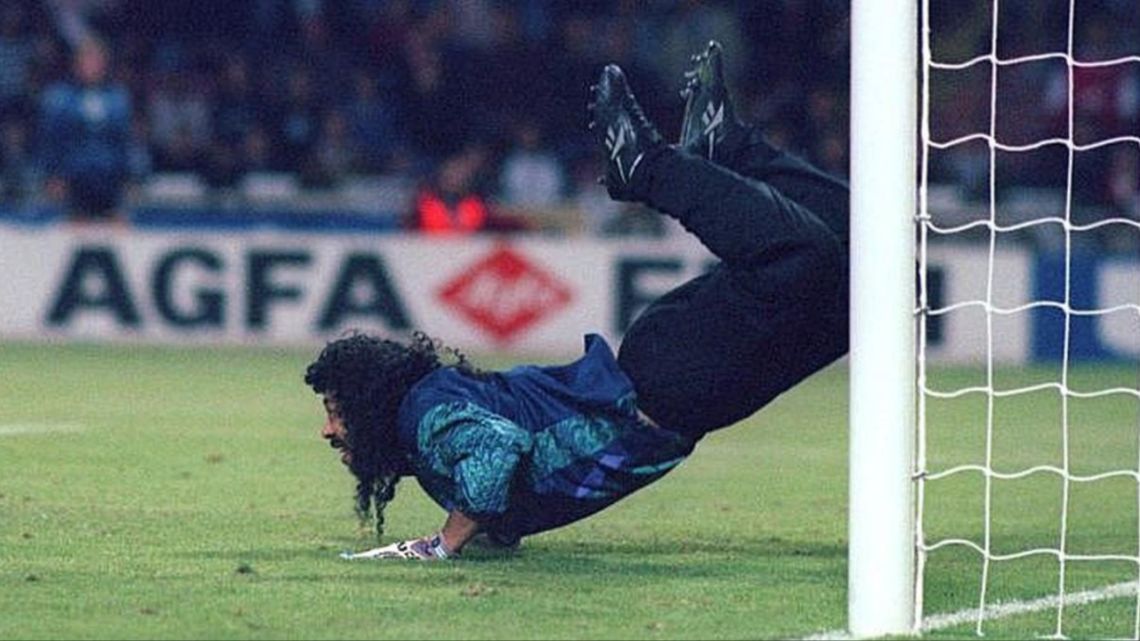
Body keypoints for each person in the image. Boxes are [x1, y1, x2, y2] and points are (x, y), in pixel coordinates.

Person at [304, 41, 850, 561]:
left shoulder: (423, 414)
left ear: (371, 406)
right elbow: (506, 495)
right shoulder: (433, 455)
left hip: (667, 382)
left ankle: (652, 166)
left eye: (334, 412)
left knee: (804, 257)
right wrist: (493, 525)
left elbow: (498, 448)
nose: (327, 431)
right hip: (680, 404)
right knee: (863, 283)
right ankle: (727, 151)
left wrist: (445, 543)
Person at [38, 36, 131, 223]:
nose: (91, 66)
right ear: (76, 64)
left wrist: (130, 175)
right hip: (75, 177)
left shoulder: (118, 97)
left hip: (109, 177)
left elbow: (123, 140)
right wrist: (52, 175)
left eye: (96, 61)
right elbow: (52, 139)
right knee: (76, 229)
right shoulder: (59, 97)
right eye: (86, 61)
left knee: (117, 227)